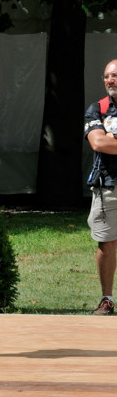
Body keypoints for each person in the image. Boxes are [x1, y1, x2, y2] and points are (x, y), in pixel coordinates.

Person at [83, 59, 117, 316]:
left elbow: (108, 142)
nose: (110, 80)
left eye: (115, 75)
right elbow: (98, 144)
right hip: (108, 186)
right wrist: (106, 139)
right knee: (106, 244)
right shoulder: (98, 109)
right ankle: (107, 299)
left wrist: (111, 138)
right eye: (107, 76)